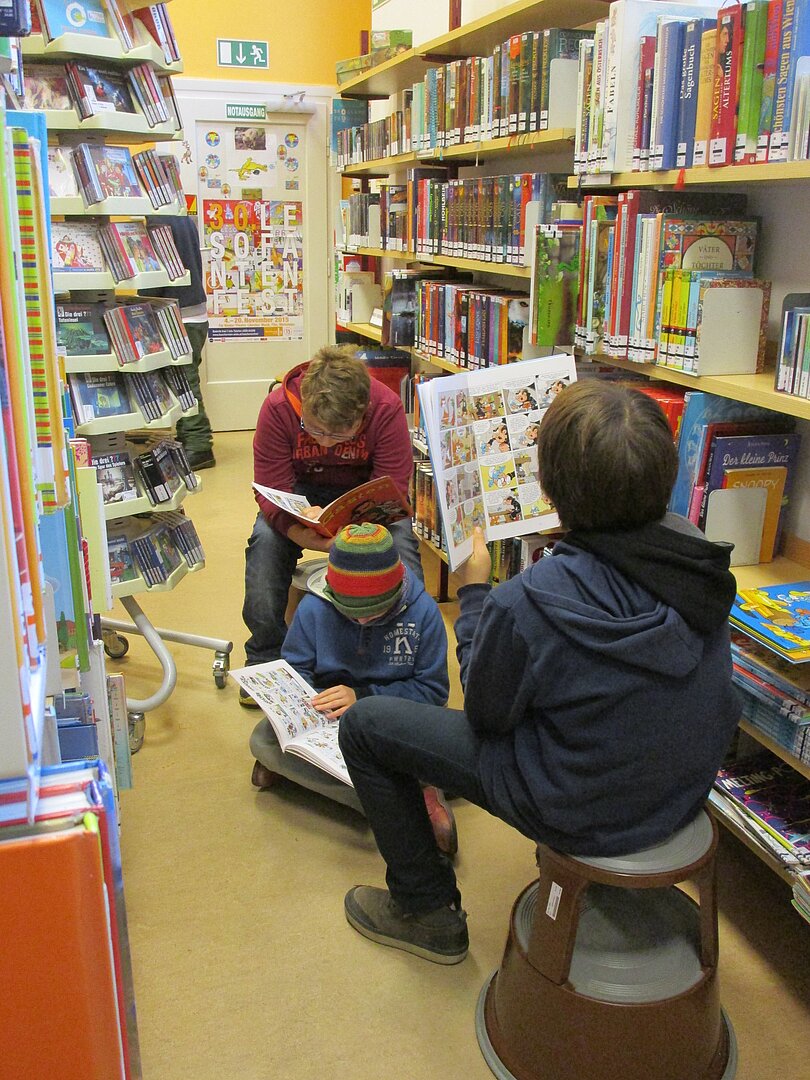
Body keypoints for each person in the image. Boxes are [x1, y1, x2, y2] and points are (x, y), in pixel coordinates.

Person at [337, 380, 741, 966]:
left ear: (548, 487)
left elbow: (485, 713)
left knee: (366, 728)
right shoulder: (697, 555)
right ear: (666, 475)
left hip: (577, 806)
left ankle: (424, 910)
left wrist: (474, 595)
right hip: (679, 793)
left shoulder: (529, 600)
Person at [249, 523, 456, 853]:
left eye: (375, 611)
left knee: (451, 740)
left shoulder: (423, 613)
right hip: (331, 718)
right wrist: (296, 706)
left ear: (397, 592)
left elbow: (432, 692)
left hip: (394, 715)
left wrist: (363, 698)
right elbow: (295, 670)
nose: (361, 621)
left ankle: (312, 782)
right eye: (350, 611)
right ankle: (409, 798)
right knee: (263, 738)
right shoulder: (315, 607)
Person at [242, 346, 422, 701]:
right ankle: (264, 656)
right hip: (300, 500)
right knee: (264, 543)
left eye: (339, 436)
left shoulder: (385, 408)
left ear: (361, 414)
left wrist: (357, 534)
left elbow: (392, 487)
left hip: (366, 500)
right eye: (315, 430)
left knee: (403, 550)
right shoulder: (278, 408)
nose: (324, 443)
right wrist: (306, 535)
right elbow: (269, 492)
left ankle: (404, 660)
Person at [142, 215, 215, 471]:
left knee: (184, 381)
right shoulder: (181, 216)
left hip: (177, 311)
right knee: (184, 378)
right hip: (192, 310)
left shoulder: (155, 218)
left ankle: (198, 444)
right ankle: (193, 439)